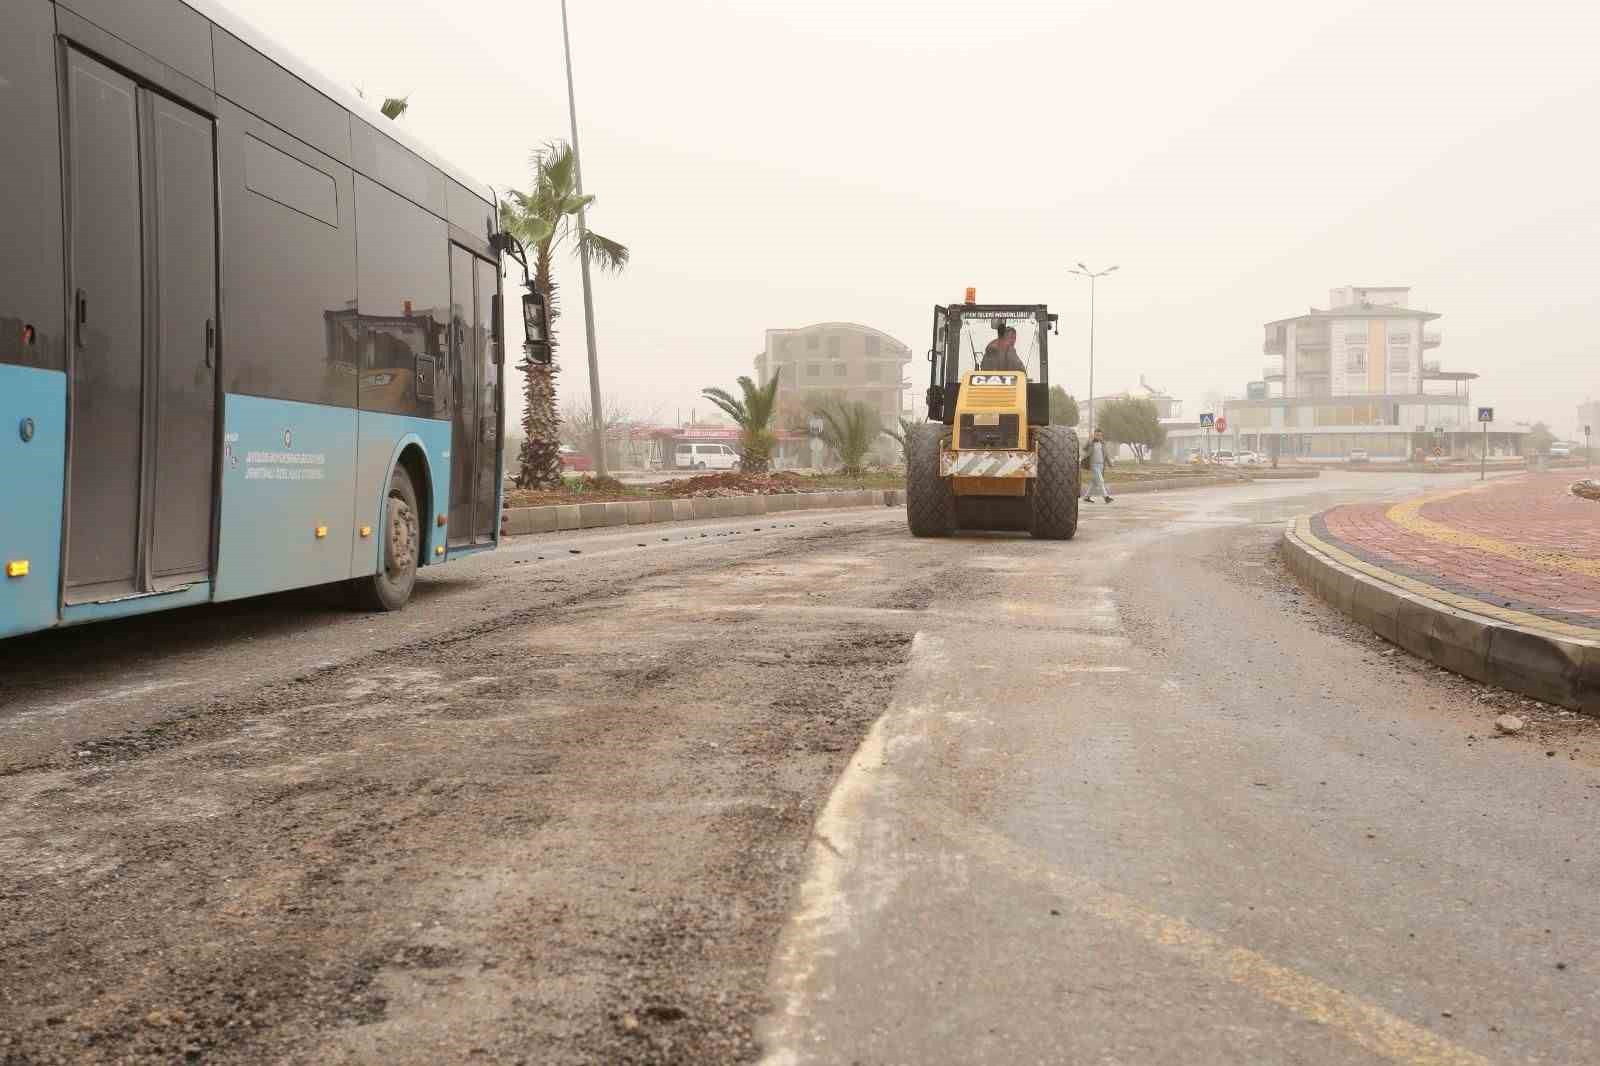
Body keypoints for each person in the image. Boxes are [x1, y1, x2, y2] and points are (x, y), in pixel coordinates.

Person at [1081, 427, 1113, 502]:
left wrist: (1110, 464)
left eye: (1100, 435)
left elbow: (1106, 455)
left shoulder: (1103, 443)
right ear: (1094, 435)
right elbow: (1084, 449)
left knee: (1094, 483)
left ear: (1102, 436)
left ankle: (1086, 497)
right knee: (1101, 480)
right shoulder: (1091, 442)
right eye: (1097, 435)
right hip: (1093, 465)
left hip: (1101, 465)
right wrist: (1089, 440)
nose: (1098, 436)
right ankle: (1106, 497)